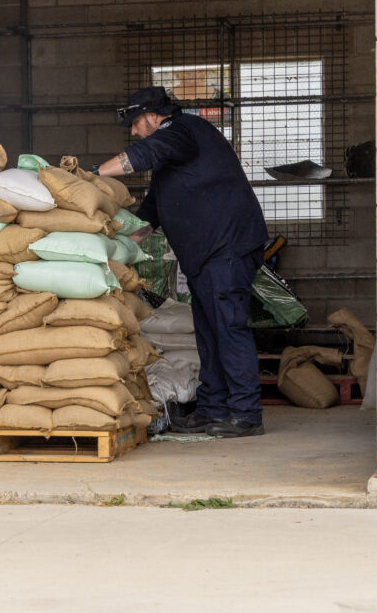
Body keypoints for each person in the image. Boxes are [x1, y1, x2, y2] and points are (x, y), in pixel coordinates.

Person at [95, 86, 268, 438]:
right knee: (208, 331)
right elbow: (153, 211)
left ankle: (246, 414)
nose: (133, 131)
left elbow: (146, 151)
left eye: (136, 123)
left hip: (227, 248)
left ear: (155, 116)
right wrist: (118, 246)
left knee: (228, 327)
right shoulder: (171, 157)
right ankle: (213, 408)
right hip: (206, 256)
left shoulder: (184, 131)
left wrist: (92, 174)